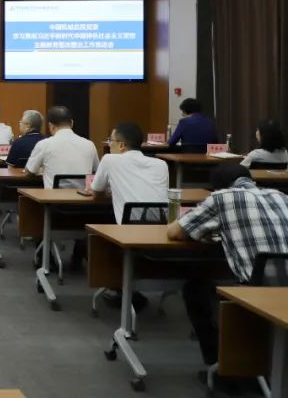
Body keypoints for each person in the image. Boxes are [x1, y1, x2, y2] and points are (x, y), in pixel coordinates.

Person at [168, 163, 288, 380]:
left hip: (258, 290)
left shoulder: (221, 198)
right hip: (284, 284)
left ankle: (225, 368)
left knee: (195, 290)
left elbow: (176, 231)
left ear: (218, 187)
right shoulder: (280, 196)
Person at [91, 122, 169, 224]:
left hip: (128, 229)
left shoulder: (109, 160)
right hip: (161, 228)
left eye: (111, 140)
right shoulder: (161, 164)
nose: (109, 144)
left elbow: (96, 191)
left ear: (121, 145)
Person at [25, 106, 99, 189]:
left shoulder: (44, 144)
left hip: (53, 196)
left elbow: (29, 171)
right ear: (72, 123)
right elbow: (97, 172)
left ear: (51, 126)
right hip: (82, 196)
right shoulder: (90, 145)